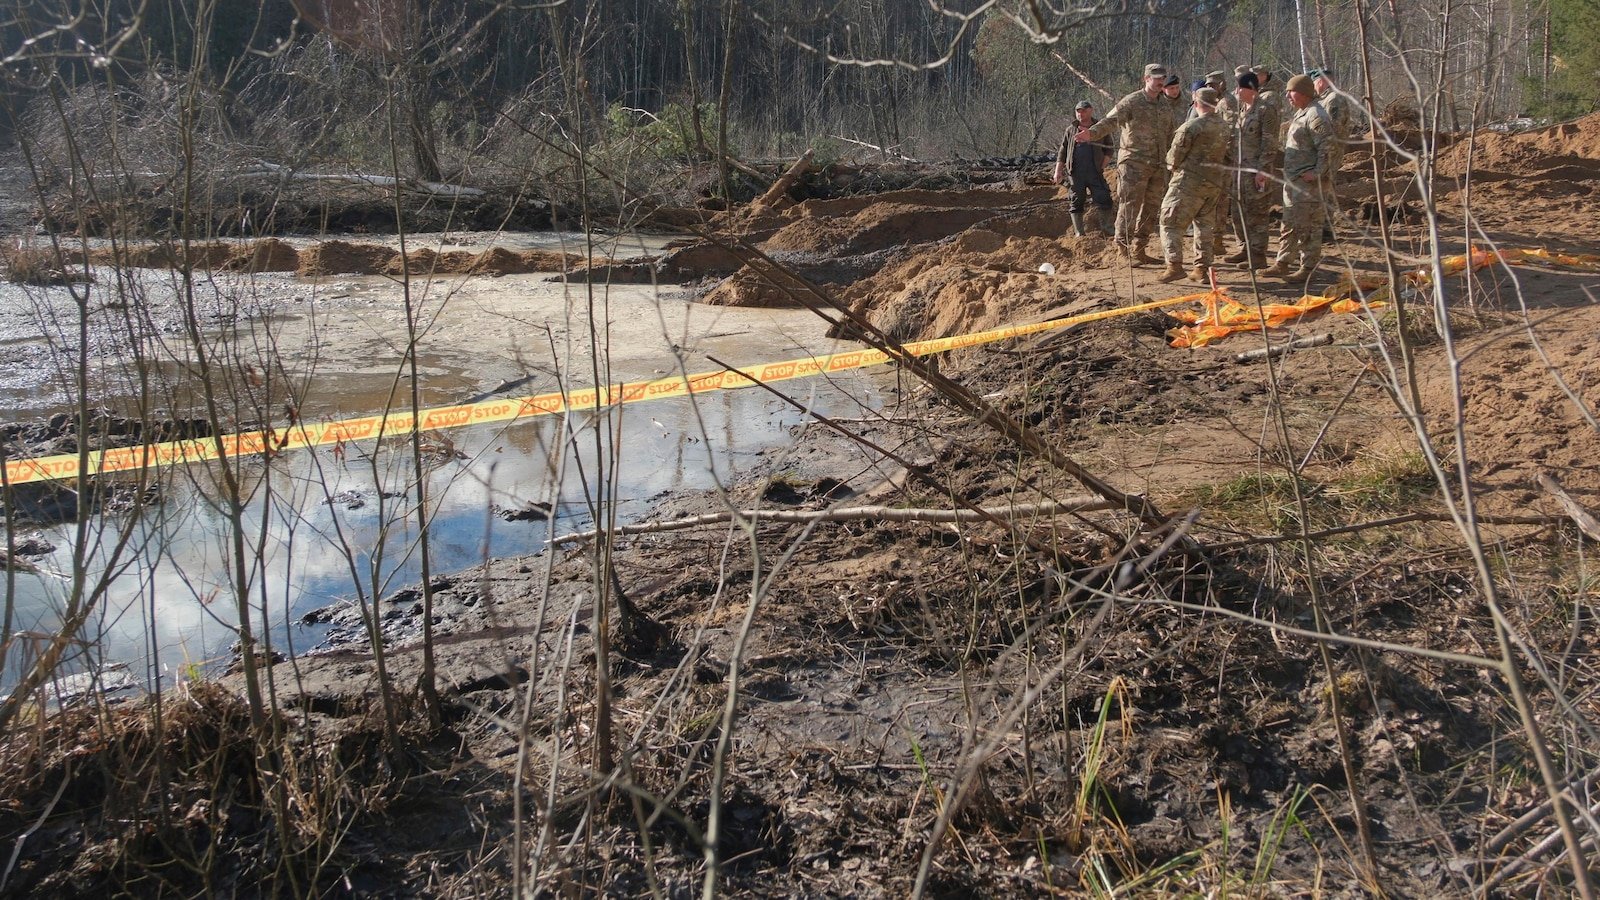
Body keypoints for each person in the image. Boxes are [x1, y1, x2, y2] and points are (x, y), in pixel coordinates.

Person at [1076, 64, 1177, 264]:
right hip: (1133, 165)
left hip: (1157, 165)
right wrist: (1091, 133)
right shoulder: (1132, 101)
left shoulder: (1165, 105)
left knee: (1151, 207)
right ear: (1145, 79)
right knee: (1130, 206)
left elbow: (1171, 133)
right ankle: (1122, 250)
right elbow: (1110, 121)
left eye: (1162, 78)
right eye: (1155, 78)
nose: (1159, 82)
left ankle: (1139, 250)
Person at [1260, 74, 1334, 283]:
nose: (1287, 96)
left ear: (1301, 93)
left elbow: (1328, 147)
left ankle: (1308, 268)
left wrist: (1317, 172)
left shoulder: (1316, 115)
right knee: (1290, 223)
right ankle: (1283, 263)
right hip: (1295, 182)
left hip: (1308, 184)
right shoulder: (1303, 113)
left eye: (1290, 92)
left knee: (1308, 226)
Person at [1157, 87, 1234, 283]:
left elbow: (1173, 159)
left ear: (1196, 103)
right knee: (1204, 225)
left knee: (1170, 222)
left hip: (1188, 184)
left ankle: (1174, 265)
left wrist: (1169, 164)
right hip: (1213, 184)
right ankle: (1202, 268)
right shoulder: (1224, 126)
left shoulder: (1191, 127)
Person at [1220, 72, 1281, 269]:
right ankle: (1245, 249)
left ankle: (1258, 257)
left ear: (1250, 89)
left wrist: (1262, 170)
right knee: (1238, 212)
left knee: (1257, 214)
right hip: (1239, 171)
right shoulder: (1242, 110)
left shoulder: (1265, 110)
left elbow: (1269, 142)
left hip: (1256, 171)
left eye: (1239, 88)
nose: (1236, 92)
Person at [1054, 100, 1115, 237]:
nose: (1081, 113)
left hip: (1095, 171)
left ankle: (1106, 227)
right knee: (1076, 200)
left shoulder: (1100, 127)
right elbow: (1062, 151)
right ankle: (1079, 233)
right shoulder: (1070, 129)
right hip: (1076, 173)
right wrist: (1058, 171)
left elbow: (1110, 148)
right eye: (1078, 111)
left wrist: (1103, 165)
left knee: (1104, 197)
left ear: (1091, 110)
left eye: (1084, 110)